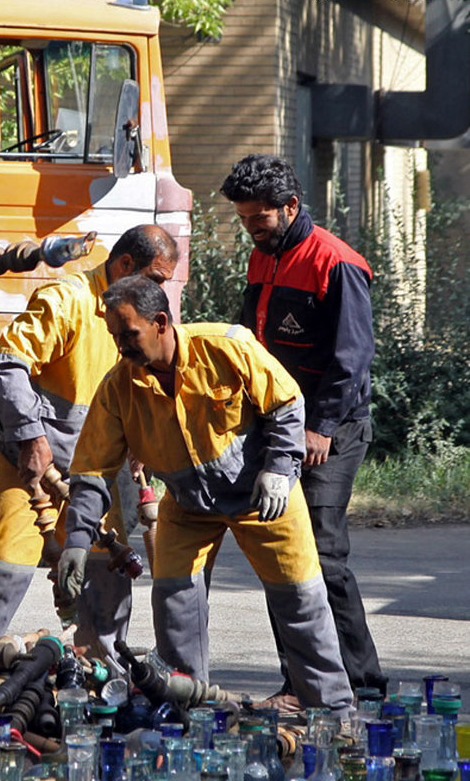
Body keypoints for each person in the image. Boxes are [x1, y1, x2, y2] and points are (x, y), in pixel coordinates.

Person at [58, 275, 353, 712]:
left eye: (130, 334)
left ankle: (334, 715)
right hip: (188, 504)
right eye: (115, 337)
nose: (121, 347)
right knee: (175, 601)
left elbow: (287, 403)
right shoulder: (119, 387)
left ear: (160, 322)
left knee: (301, 603)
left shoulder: (227, 346)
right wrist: (77, 542)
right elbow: (91, 471)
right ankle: (187, 711)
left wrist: (278, 468)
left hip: (263, 496)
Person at [0, 226, 177, 660]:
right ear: (125, 266)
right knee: (2, 569)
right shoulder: (66, 301)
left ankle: (102, 677)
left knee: (104, 580)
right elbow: (7, 364)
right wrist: (31, 439)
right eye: (157, 277)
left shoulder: (142, 313)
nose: (161, 289)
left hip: (96, 475)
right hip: (33, 469)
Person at [221, 153, 385, 705]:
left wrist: (320, 429)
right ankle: (301, 684)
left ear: (291, 207)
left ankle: (361, 685)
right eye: (244, 220)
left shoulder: (336, 263)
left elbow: (352, 358)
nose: (251, 229)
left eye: (259, 219)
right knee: (279, 550)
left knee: (322, 555)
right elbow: (249, 342)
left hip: (329, 432)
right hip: (277, 424)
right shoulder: (260, 256)